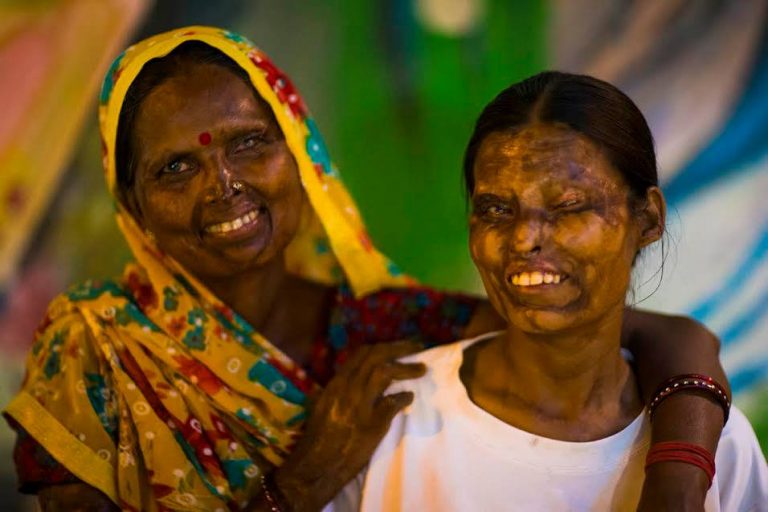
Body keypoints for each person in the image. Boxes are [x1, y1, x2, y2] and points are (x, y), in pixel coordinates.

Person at [2, 27, 732, 511]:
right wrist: (300, 485)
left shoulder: (383, 326)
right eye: (177, 165)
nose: (222, 184)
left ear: (302, 154)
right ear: (131, 200)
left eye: (251, 142)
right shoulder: (95, 352)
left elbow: (670, 341)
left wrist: (676, 479)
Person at [327, 71, 768, 512]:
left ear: (648, 219)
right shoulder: (386, 420)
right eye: (496, 209)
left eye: (568, 206)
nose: (523, 240)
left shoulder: (718, 448)